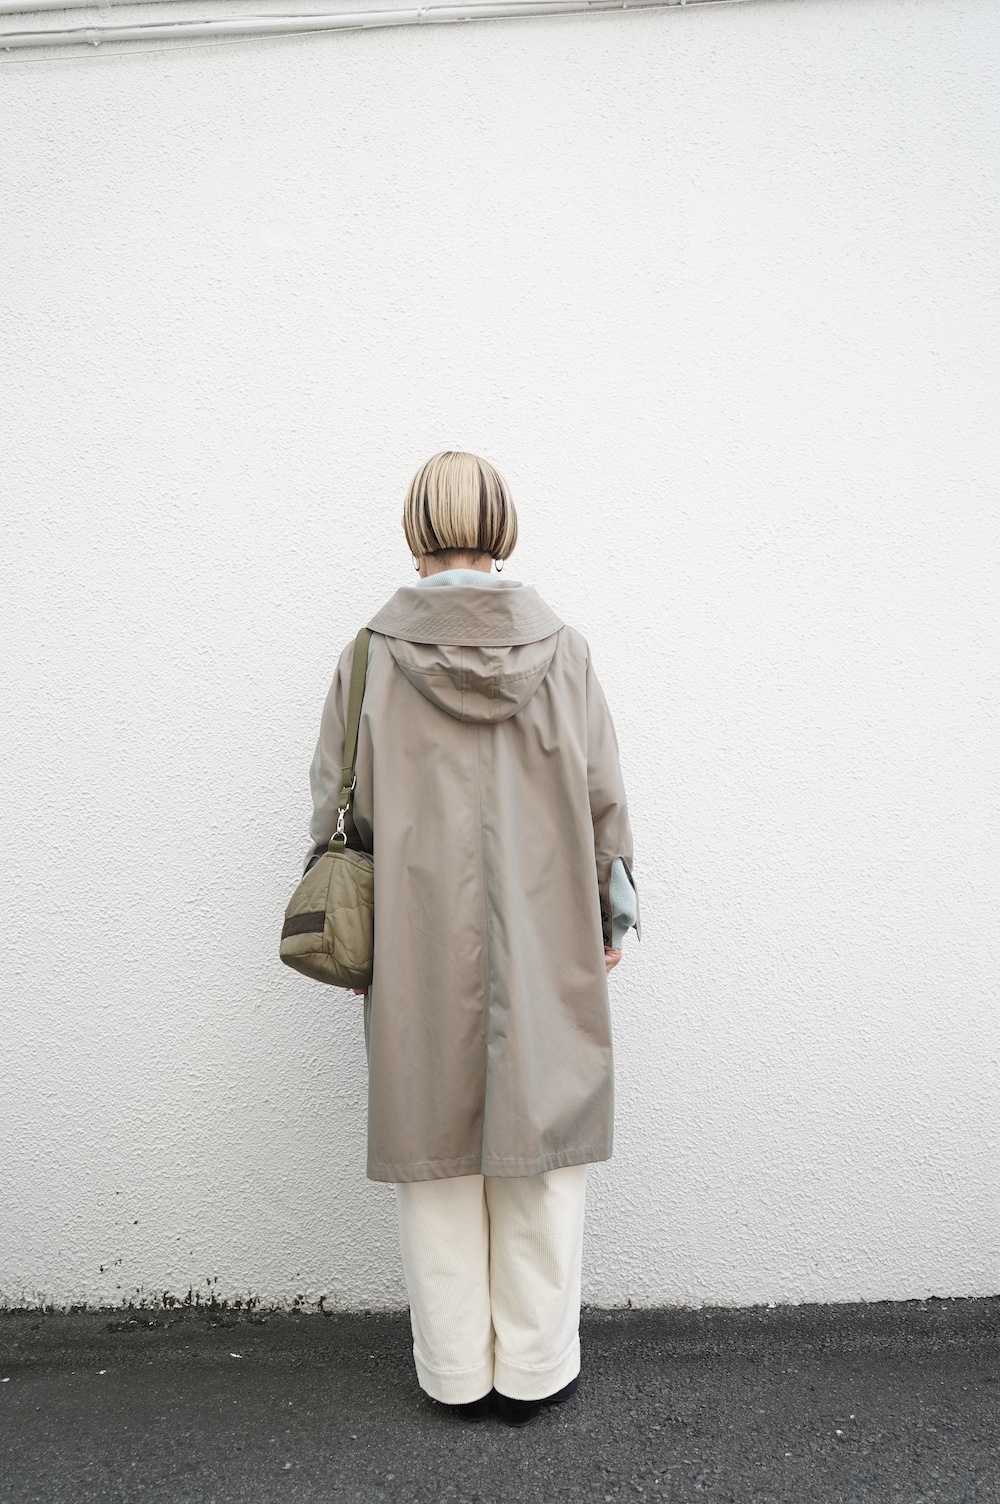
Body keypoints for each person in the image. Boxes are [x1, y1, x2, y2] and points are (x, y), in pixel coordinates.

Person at [303, 450, 639, 1426]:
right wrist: (613, 911)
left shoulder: (369, 656)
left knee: (435, 1156)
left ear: (416, 527)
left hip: (414, 936)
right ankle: (535, 1371)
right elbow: (604, 794)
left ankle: (455, 1373)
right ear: (503, 526)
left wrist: (357, 936)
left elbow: (335, 804)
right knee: (543, 1146)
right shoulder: (564, 651)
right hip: (549, 930)